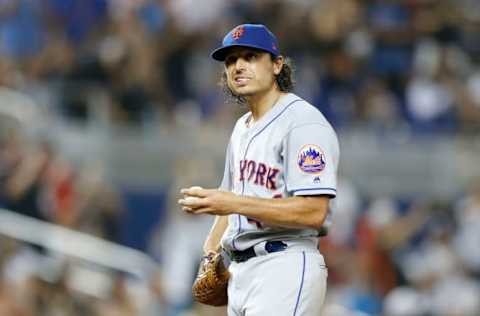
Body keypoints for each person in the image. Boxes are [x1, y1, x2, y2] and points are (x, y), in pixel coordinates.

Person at [178, 24, 339, 316]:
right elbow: (229, 196)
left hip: (283, 266)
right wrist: (210, 252)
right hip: (241, 272)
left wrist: (232, 203)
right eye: (230, 60)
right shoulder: (241, 128)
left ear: (277, 65)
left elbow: (314, 211)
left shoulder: (302, 122)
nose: (238, 66)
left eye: (250, 56)